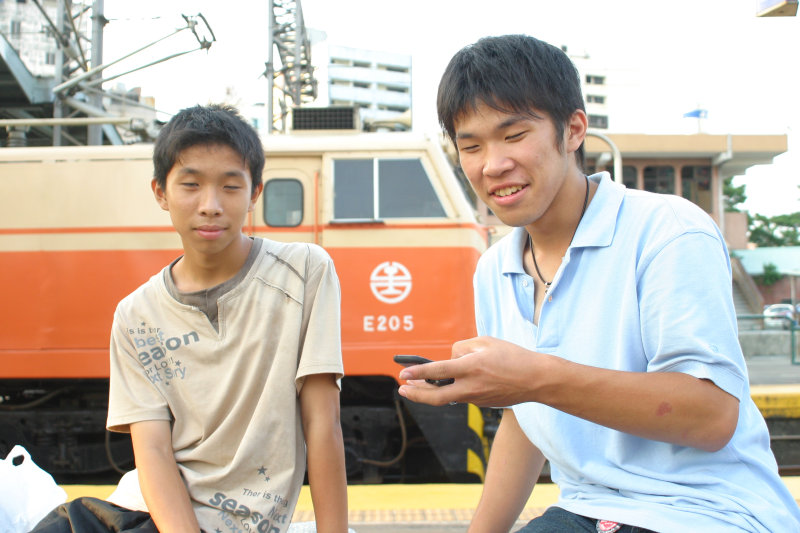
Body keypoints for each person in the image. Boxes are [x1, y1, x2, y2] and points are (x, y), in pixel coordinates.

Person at [398, 34, 800, 533]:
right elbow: (525, 417)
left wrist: (531, 377)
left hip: (708, 513)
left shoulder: (668, 230)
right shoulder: (495, 267)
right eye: (470, 145)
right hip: (587, 512)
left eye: (514, 135)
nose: (492, 164)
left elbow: (710, 416)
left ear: (573, 130)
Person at [32, 104, 348, 533]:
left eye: (231, 187)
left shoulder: (305, 272)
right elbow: (155, 453)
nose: (210, 206)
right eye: (191, 185)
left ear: (255, 193)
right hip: (149, 515)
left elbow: (322, 422)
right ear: (161, 192)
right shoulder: (135, 315)